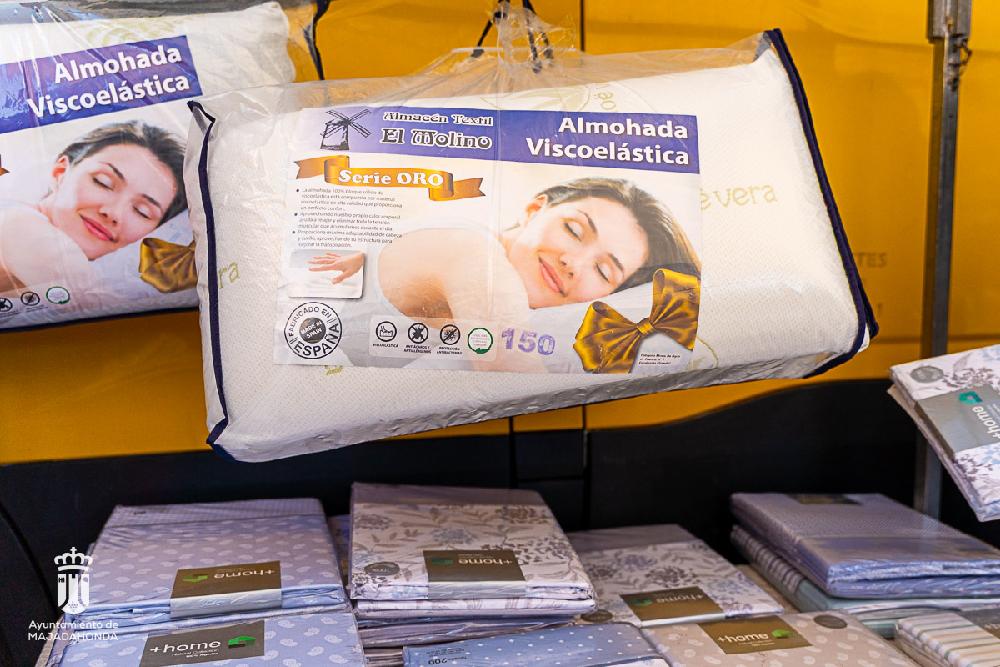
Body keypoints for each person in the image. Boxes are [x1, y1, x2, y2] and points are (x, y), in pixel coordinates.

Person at [311, 177, 700, 371]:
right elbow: (510, 365)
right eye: (573, 230)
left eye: (602, 270)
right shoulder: (470, 250)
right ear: (534, 210)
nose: (573, 263)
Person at [0, 121, 186, 294]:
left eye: (142, 212)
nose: (113, 213)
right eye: (102, 182)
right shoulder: (15, 219)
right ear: (60, 171)